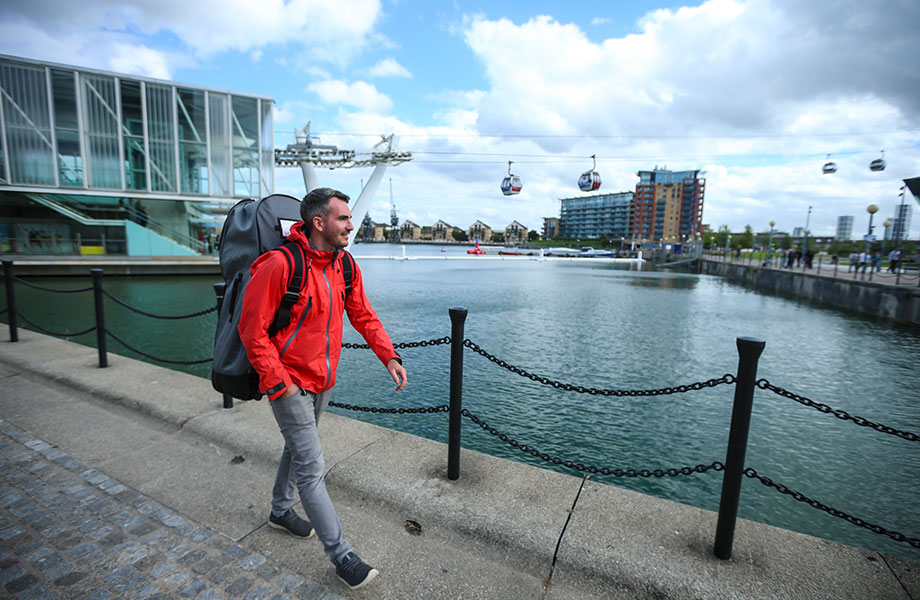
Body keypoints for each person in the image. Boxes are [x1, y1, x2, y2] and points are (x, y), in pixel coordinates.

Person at [238, 187, 408, 591]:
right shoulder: (280, 265)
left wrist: (389, 356)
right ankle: (342, 555)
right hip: (290, 381)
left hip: (322, 379)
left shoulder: (344, 266)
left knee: (297, 449)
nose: (352, 225)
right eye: (344, 219)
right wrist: (280, 384)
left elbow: (363, 314)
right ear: (319, 223)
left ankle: (281, 510)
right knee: (312, 469)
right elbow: (252, 331)